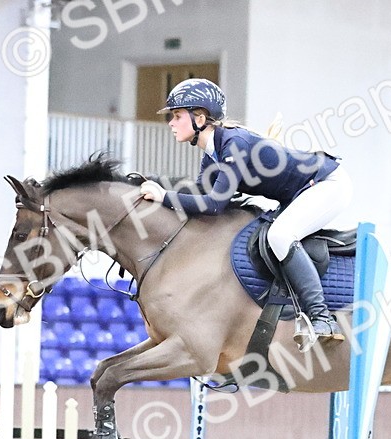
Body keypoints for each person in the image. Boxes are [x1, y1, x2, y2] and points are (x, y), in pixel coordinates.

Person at [138, 78, 352, 350]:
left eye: (177, 115)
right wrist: (153, 181)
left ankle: (322, 318)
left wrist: (164, 196)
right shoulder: (213, 153)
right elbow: (200, 192)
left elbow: (215, 204)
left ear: (200, 118)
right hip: (299, 192)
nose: (171, 122)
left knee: (280, 236)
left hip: (327, 184)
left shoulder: (233, 144)